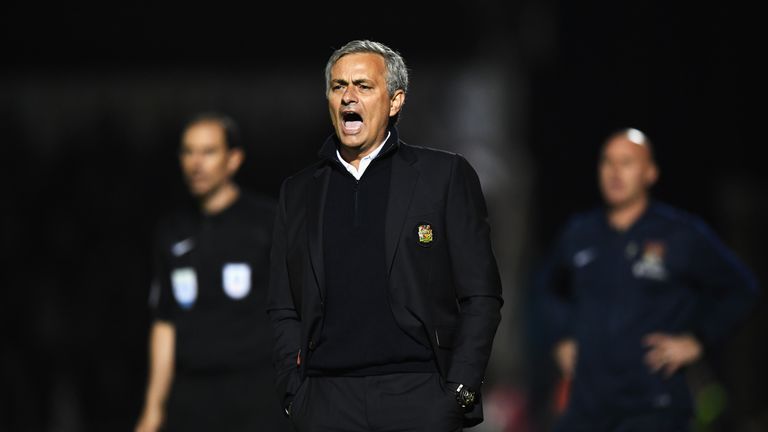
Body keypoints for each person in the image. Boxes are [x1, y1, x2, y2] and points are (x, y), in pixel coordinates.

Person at [266, 40, 504, 432]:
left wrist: (457, 393)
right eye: (338, 86)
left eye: (363, 86)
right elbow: (283, 305)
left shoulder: (442, 177)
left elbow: (481, 295)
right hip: (325, 402)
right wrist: (295, 395)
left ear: (395, 102)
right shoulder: (299, 192)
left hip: (419, 396)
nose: (348, 97)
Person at [536, 127, 759, 431]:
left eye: (627, 163)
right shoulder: (580, 233)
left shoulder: (681, 234)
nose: (615, 172)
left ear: (650, 173)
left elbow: (741, 290)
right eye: (607, 162)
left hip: (653, 405)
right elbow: (546, 288)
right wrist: (560, 337)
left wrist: (698, 339)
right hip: (588, 406)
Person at [135, 112, 290, 432]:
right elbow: (164, 323)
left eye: (208, 152)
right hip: (191, 396)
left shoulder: (269, 222)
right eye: (188, 152)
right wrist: (152, 409)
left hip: (256, 394)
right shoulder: (172, 230)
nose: (196, 163)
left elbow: (297, 307)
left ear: (234, 159)